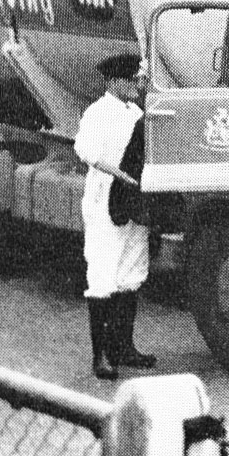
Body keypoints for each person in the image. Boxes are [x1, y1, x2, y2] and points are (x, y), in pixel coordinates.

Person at [74, 53, 157, 379]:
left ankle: (125, 348)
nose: (136, 84)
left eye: (137, 78)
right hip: (105, 202)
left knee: (132, 271)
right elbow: (85, 150)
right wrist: (118, 174)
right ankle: (102, 356)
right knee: (103, 275)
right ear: (113, 82)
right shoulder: (97, 113)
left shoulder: (136, 112)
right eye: (130, 79)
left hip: (132, 203)